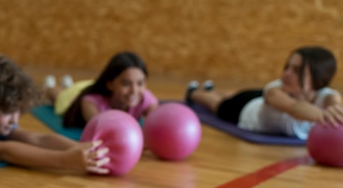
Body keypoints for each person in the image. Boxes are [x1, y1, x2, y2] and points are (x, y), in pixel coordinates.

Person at [0, 54, 110, 174]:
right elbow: (3, 151)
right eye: (7, 111)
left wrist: (84, 149)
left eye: (17, 110)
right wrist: (67, 160)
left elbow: (37, 139)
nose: (15, 119)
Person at [185, 45, 343, 139]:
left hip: (260, 101)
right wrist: (323, 115)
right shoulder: (275, 90)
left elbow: (334, 101)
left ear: (319, 76)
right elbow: (294, 108)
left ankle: (212, 89)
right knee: (217, 103)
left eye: (296, 70)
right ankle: (194, 93)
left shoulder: (327, 95)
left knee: (230, 93)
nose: (286, 73)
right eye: (287, 67)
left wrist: (334, 109)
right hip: (244, 109)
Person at [45, 51, 159, 129]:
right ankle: (50, 87)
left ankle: (67, 84)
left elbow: (157, 121)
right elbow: (104, 129)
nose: (134, 90)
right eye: (126, 84)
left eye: (140, 83)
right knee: (60, 96)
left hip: (91, 86)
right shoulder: (90, 102)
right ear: (109, 84)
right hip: (74, 96)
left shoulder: (144, 97)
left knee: (67, 89)